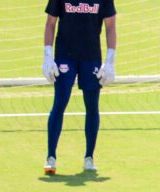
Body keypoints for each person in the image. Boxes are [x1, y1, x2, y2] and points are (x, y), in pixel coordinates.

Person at [42, 0, 117, 175]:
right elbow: (50, 22)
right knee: (59, 103)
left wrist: (110, 60)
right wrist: (47, 56)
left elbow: (111, 25)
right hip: (64, 56)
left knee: (92, 106)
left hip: (91, 58)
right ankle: (50, 157)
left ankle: (89, 158)